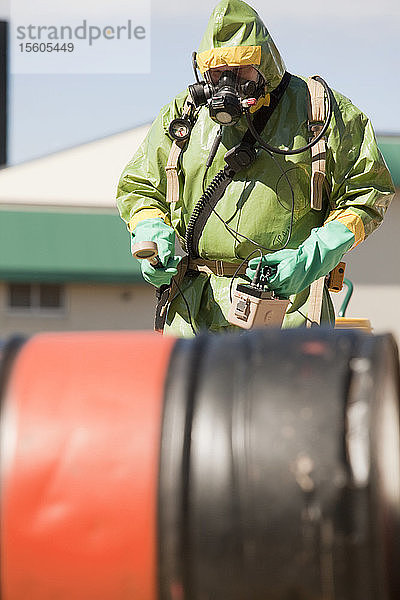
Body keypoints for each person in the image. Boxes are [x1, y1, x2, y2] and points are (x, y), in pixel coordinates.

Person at [116, 0, 394, 337]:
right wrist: (149, 233)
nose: (227, 82)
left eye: (242, 69)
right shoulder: (184, 113)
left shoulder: (319, 110)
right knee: (188, 390)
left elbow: (368, 192)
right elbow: (140, 186)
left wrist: (312, 257)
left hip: (289, 305)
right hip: (193, 308)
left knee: (282, 390)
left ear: (266, 63)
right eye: (217, 72)